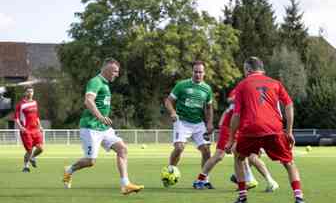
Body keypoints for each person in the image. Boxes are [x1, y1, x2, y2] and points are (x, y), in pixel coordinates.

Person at [226, 56, 311, 203]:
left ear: (248, 69)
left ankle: (242, 199)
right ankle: (299, 199)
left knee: (239, 157)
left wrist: (231, 139)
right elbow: (289, 105)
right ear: (262, 69)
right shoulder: (275, 83)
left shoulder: (242, 86)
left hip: (251, 129)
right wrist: (289, 131)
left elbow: (236, 115)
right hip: (274, 128)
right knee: (289, 163)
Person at [63, 58, 144, 195]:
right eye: (115, 71)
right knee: (90, 161)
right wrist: (100, 117)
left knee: (122, 149)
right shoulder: (95, 82)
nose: (117, 74)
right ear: (106, 69)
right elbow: (88, 101)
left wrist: (102, 119)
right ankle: (69, 170)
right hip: (90, 127)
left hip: (104, 128)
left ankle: (126, 185)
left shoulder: (106, 85)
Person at [193, 88, 279, 192]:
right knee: (220, 155)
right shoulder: (242, 88)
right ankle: (201, 179)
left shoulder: (260, 97)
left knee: (248, 154)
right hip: (229, 127)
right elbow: (230, 101)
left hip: (243, 128)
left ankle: (247, 178)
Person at [164, 60, 214, 188]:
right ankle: (170, 171)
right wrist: (173, 113)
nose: (198, 74)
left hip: (198, 123)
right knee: (179, 147)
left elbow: (208, 108)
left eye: (200, 72)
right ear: (192, 72)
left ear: (204, 73)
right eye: (195, 72)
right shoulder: (182, 85)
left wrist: (209, 123)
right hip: (182, 121)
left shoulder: (207, 89)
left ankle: (204, 179)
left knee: (207, 151)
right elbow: (168, 101)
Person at [14, 86, 44, 173]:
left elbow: (36, 116)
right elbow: (16, 118)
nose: (30, 93)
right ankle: (26, 167)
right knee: (29, 150)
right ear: (25, 93)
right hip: (26, 130)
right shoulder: (21, 104)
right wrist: (21, 127)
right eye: (28, 91)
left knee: (41, 148)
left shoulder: (35, 102)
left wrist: (40, 126)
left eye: (31, 91)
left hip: (35, 129)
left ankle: (32, 157)